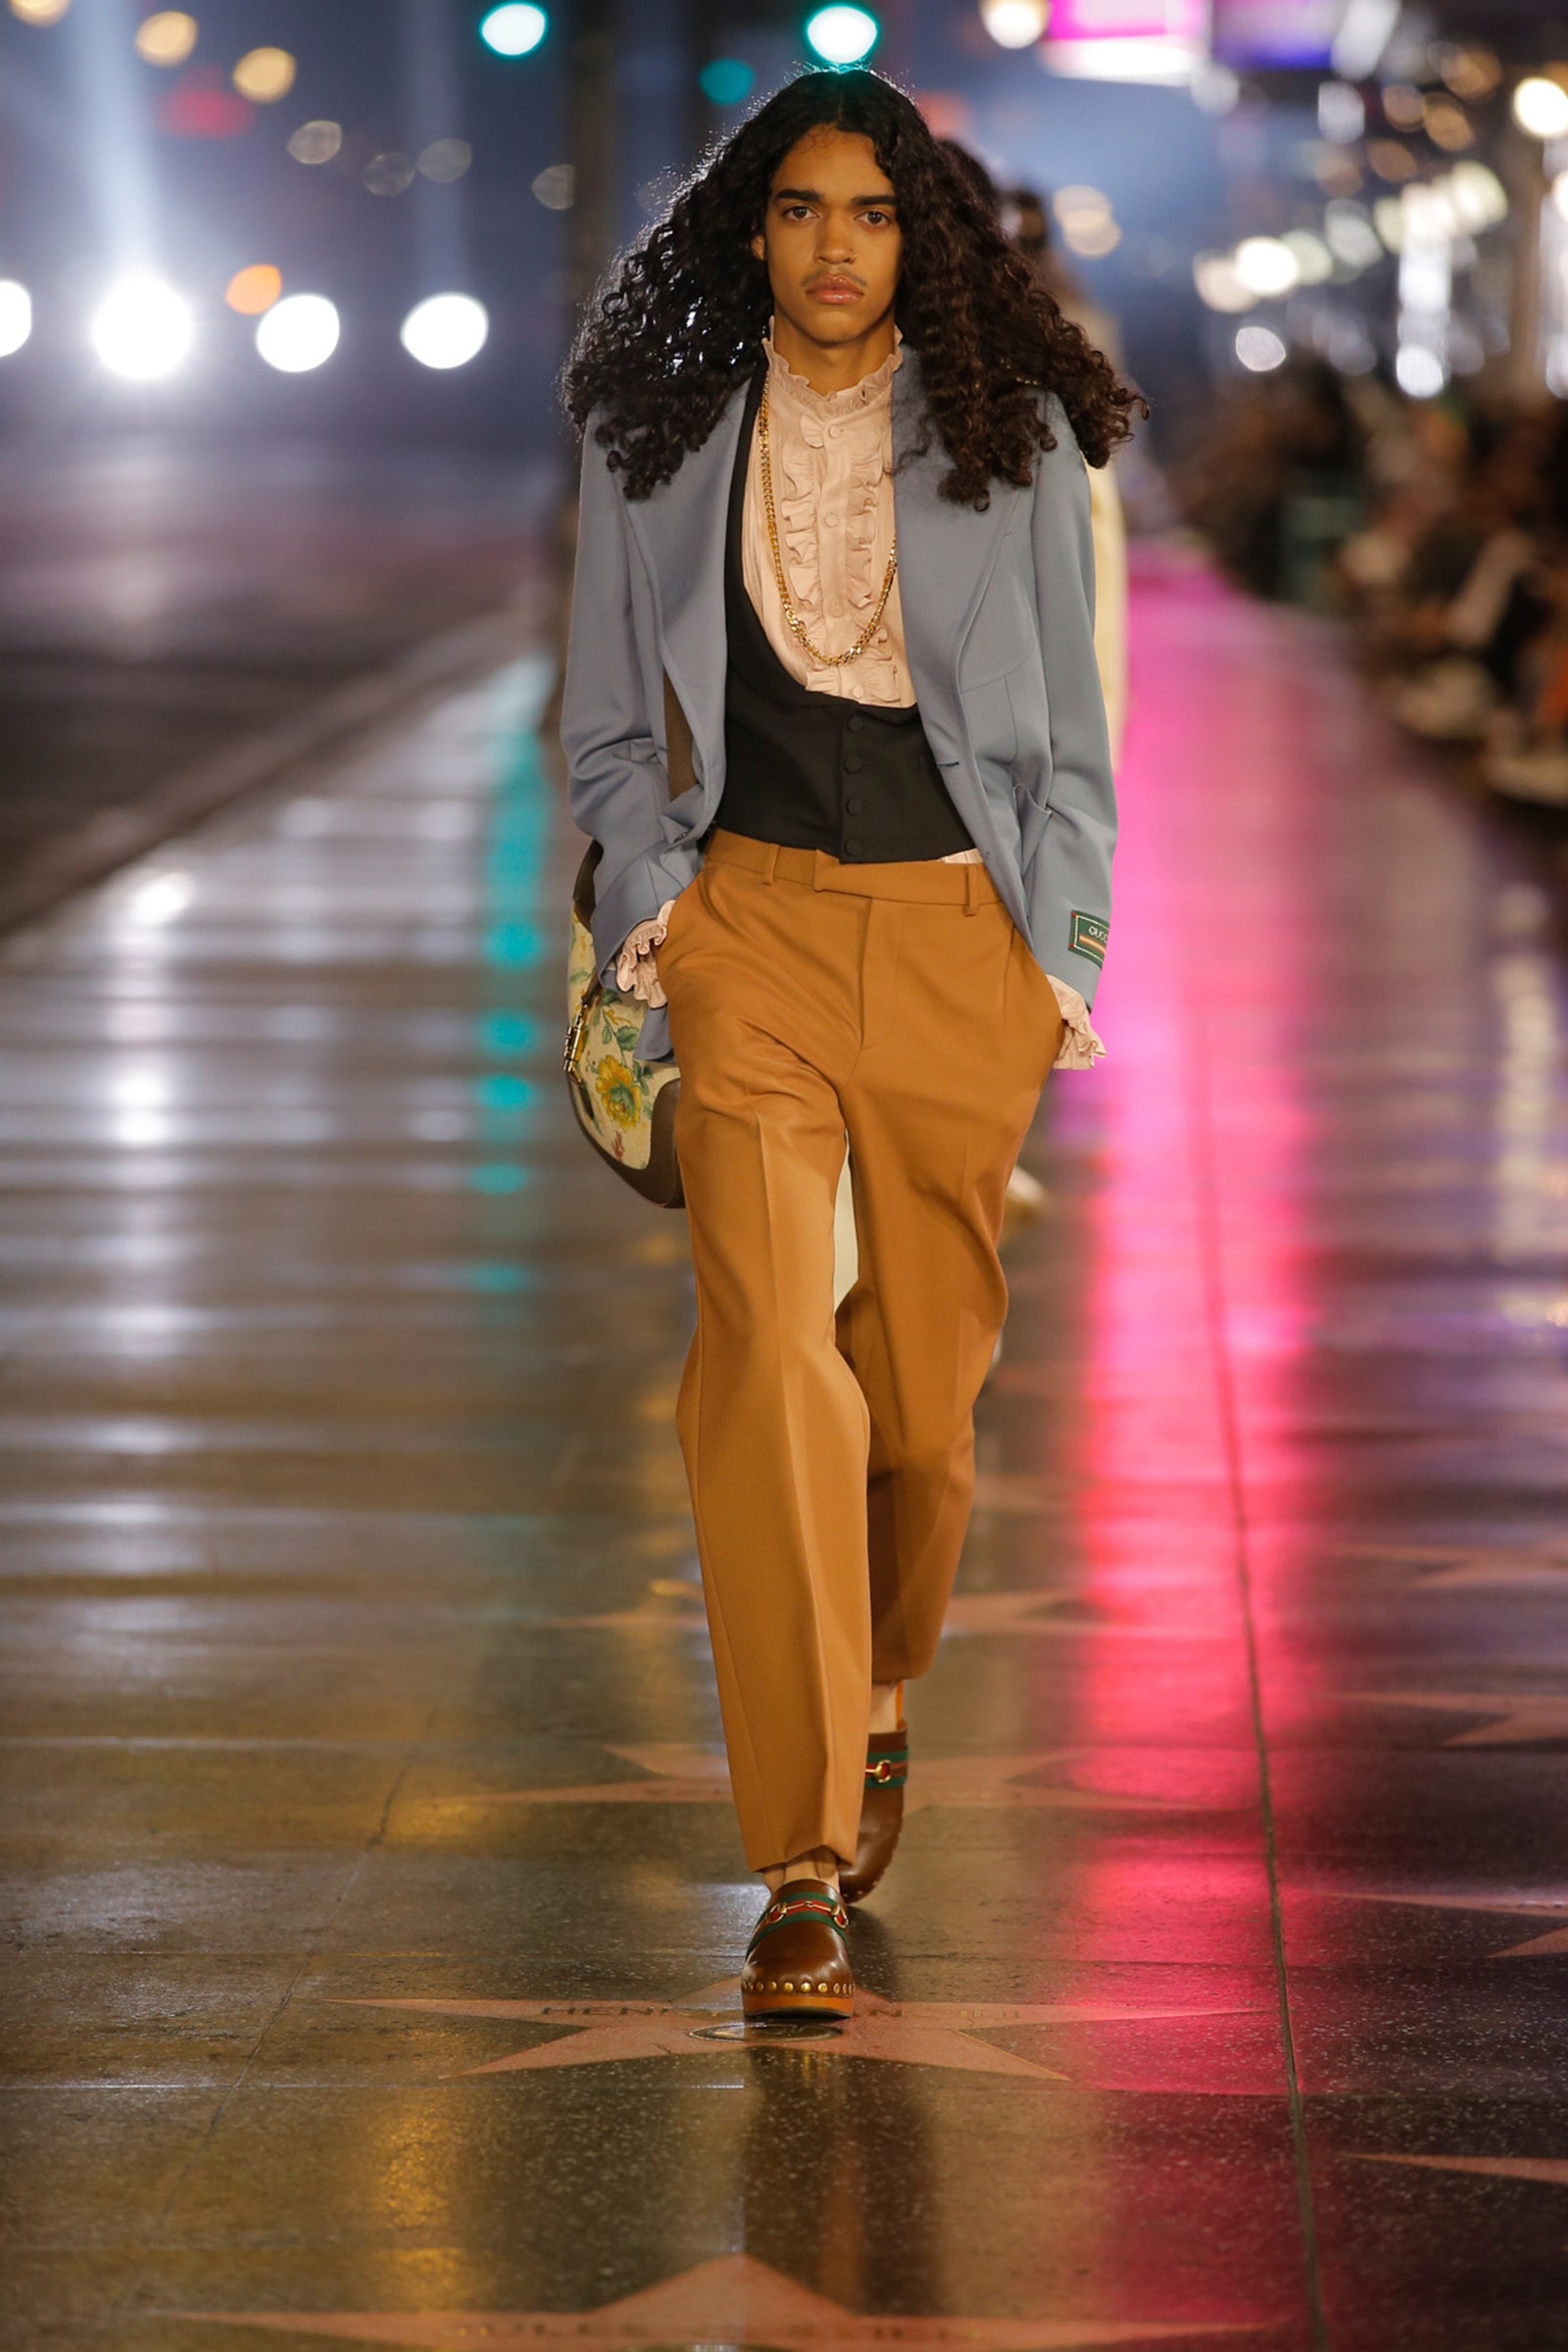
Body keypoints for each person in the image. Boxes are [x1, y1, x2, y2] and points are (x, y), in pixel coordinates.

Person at [562, 69, 1136, 2022]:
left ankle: (879, 1679)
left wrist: (1059, 955)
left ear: (920, 238)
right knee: (764, 1358)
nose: (834, 246)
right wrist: (660, 896)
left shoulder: (1009, 432)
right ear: (752, 228)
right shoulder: (656, 436)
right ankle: (798, 1851)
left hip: (960, 940)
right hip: (749, 928)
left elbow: (1070, 741)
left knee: (915, 1410)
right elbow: (603, 726)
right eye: (802, 208)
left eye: (872, 213)